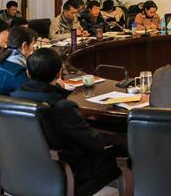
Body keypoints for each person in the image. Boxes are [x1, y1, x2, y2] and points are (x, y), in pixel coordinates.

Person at [10, 48, 120, 187]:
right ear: (59, 73)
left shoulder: (14, 97)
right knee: (120, 151)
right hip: (70, 170)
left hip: (26, 165)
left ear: (28, 73)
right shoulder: (62, 106)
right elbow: (95, 144)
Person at [0, 26, 37, 96]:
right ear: (24, 46)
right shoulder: (19, 72)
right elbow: (31, 94)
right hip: (7, 102)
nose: (33, 50)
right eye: (32, 45)